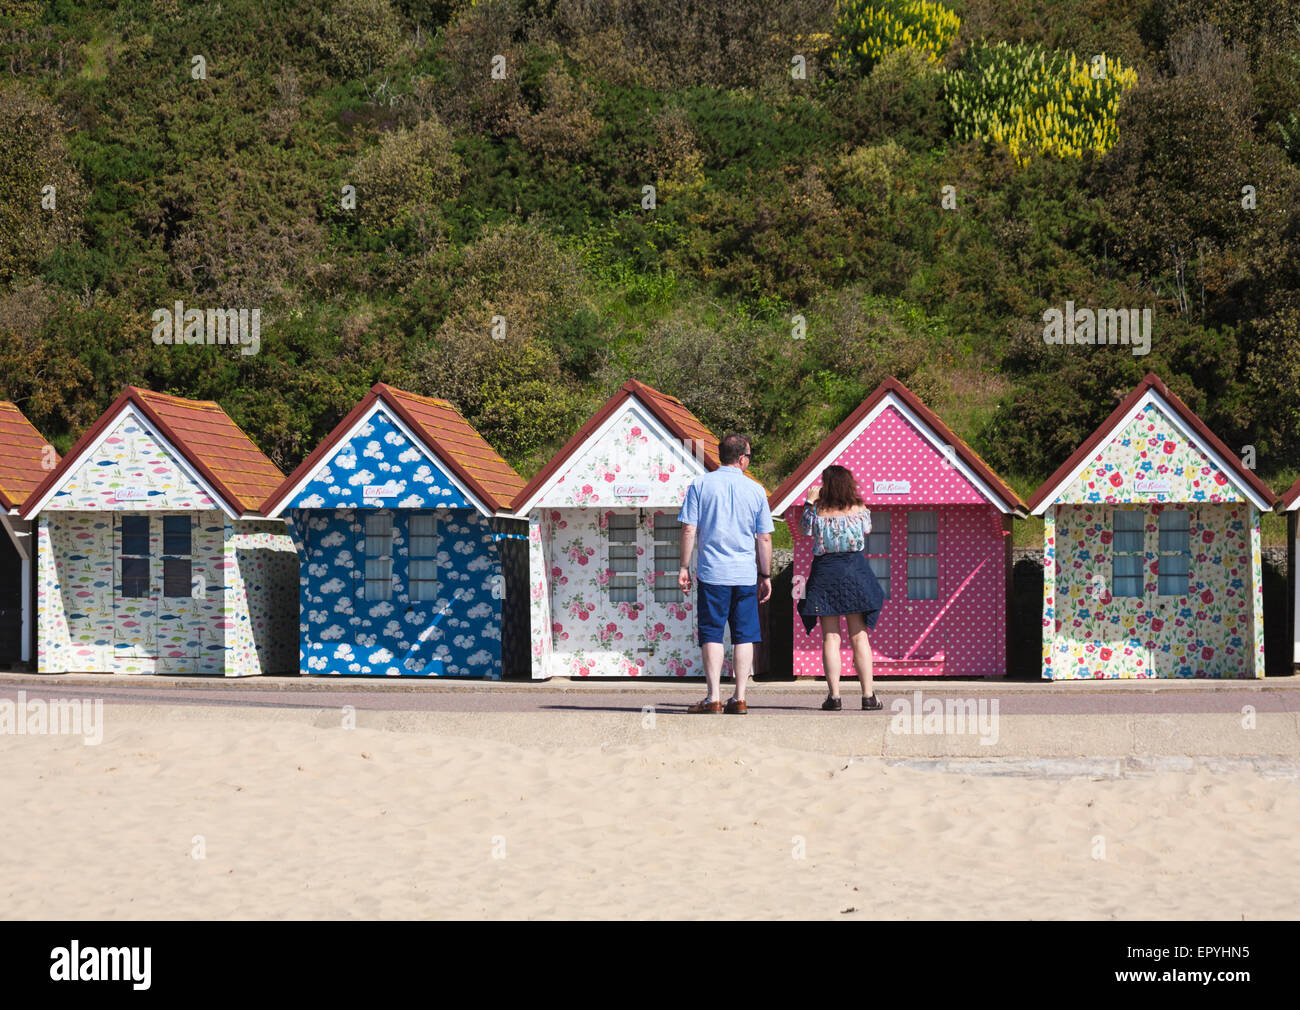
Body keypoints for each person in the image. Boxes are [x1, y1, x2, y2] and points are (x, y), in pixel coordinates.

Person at [677, 433, 774, 714]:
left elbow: (689, 529)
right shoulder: (756, 490)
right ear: (742, 458)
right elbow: (764, 538)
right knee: (744, 635)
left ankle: (713, 697)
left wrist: (684, 566)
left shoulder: (700, 484)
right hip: (744, 575)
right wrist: (765, 575)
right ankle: (740, 697)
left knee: (712, 634)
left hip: (712, 574)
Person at [796, 465, 884, 710]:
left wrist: (808, 501)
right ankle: (868, 696)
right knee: (859, 636)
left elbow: (805, 529)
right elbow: (867, 529)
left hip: (825, 573)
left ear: (826, 485)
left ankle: (834, 697)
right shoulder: (860, 509)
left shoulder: (817, 511)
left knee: (831, 637)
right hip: (854, 571)